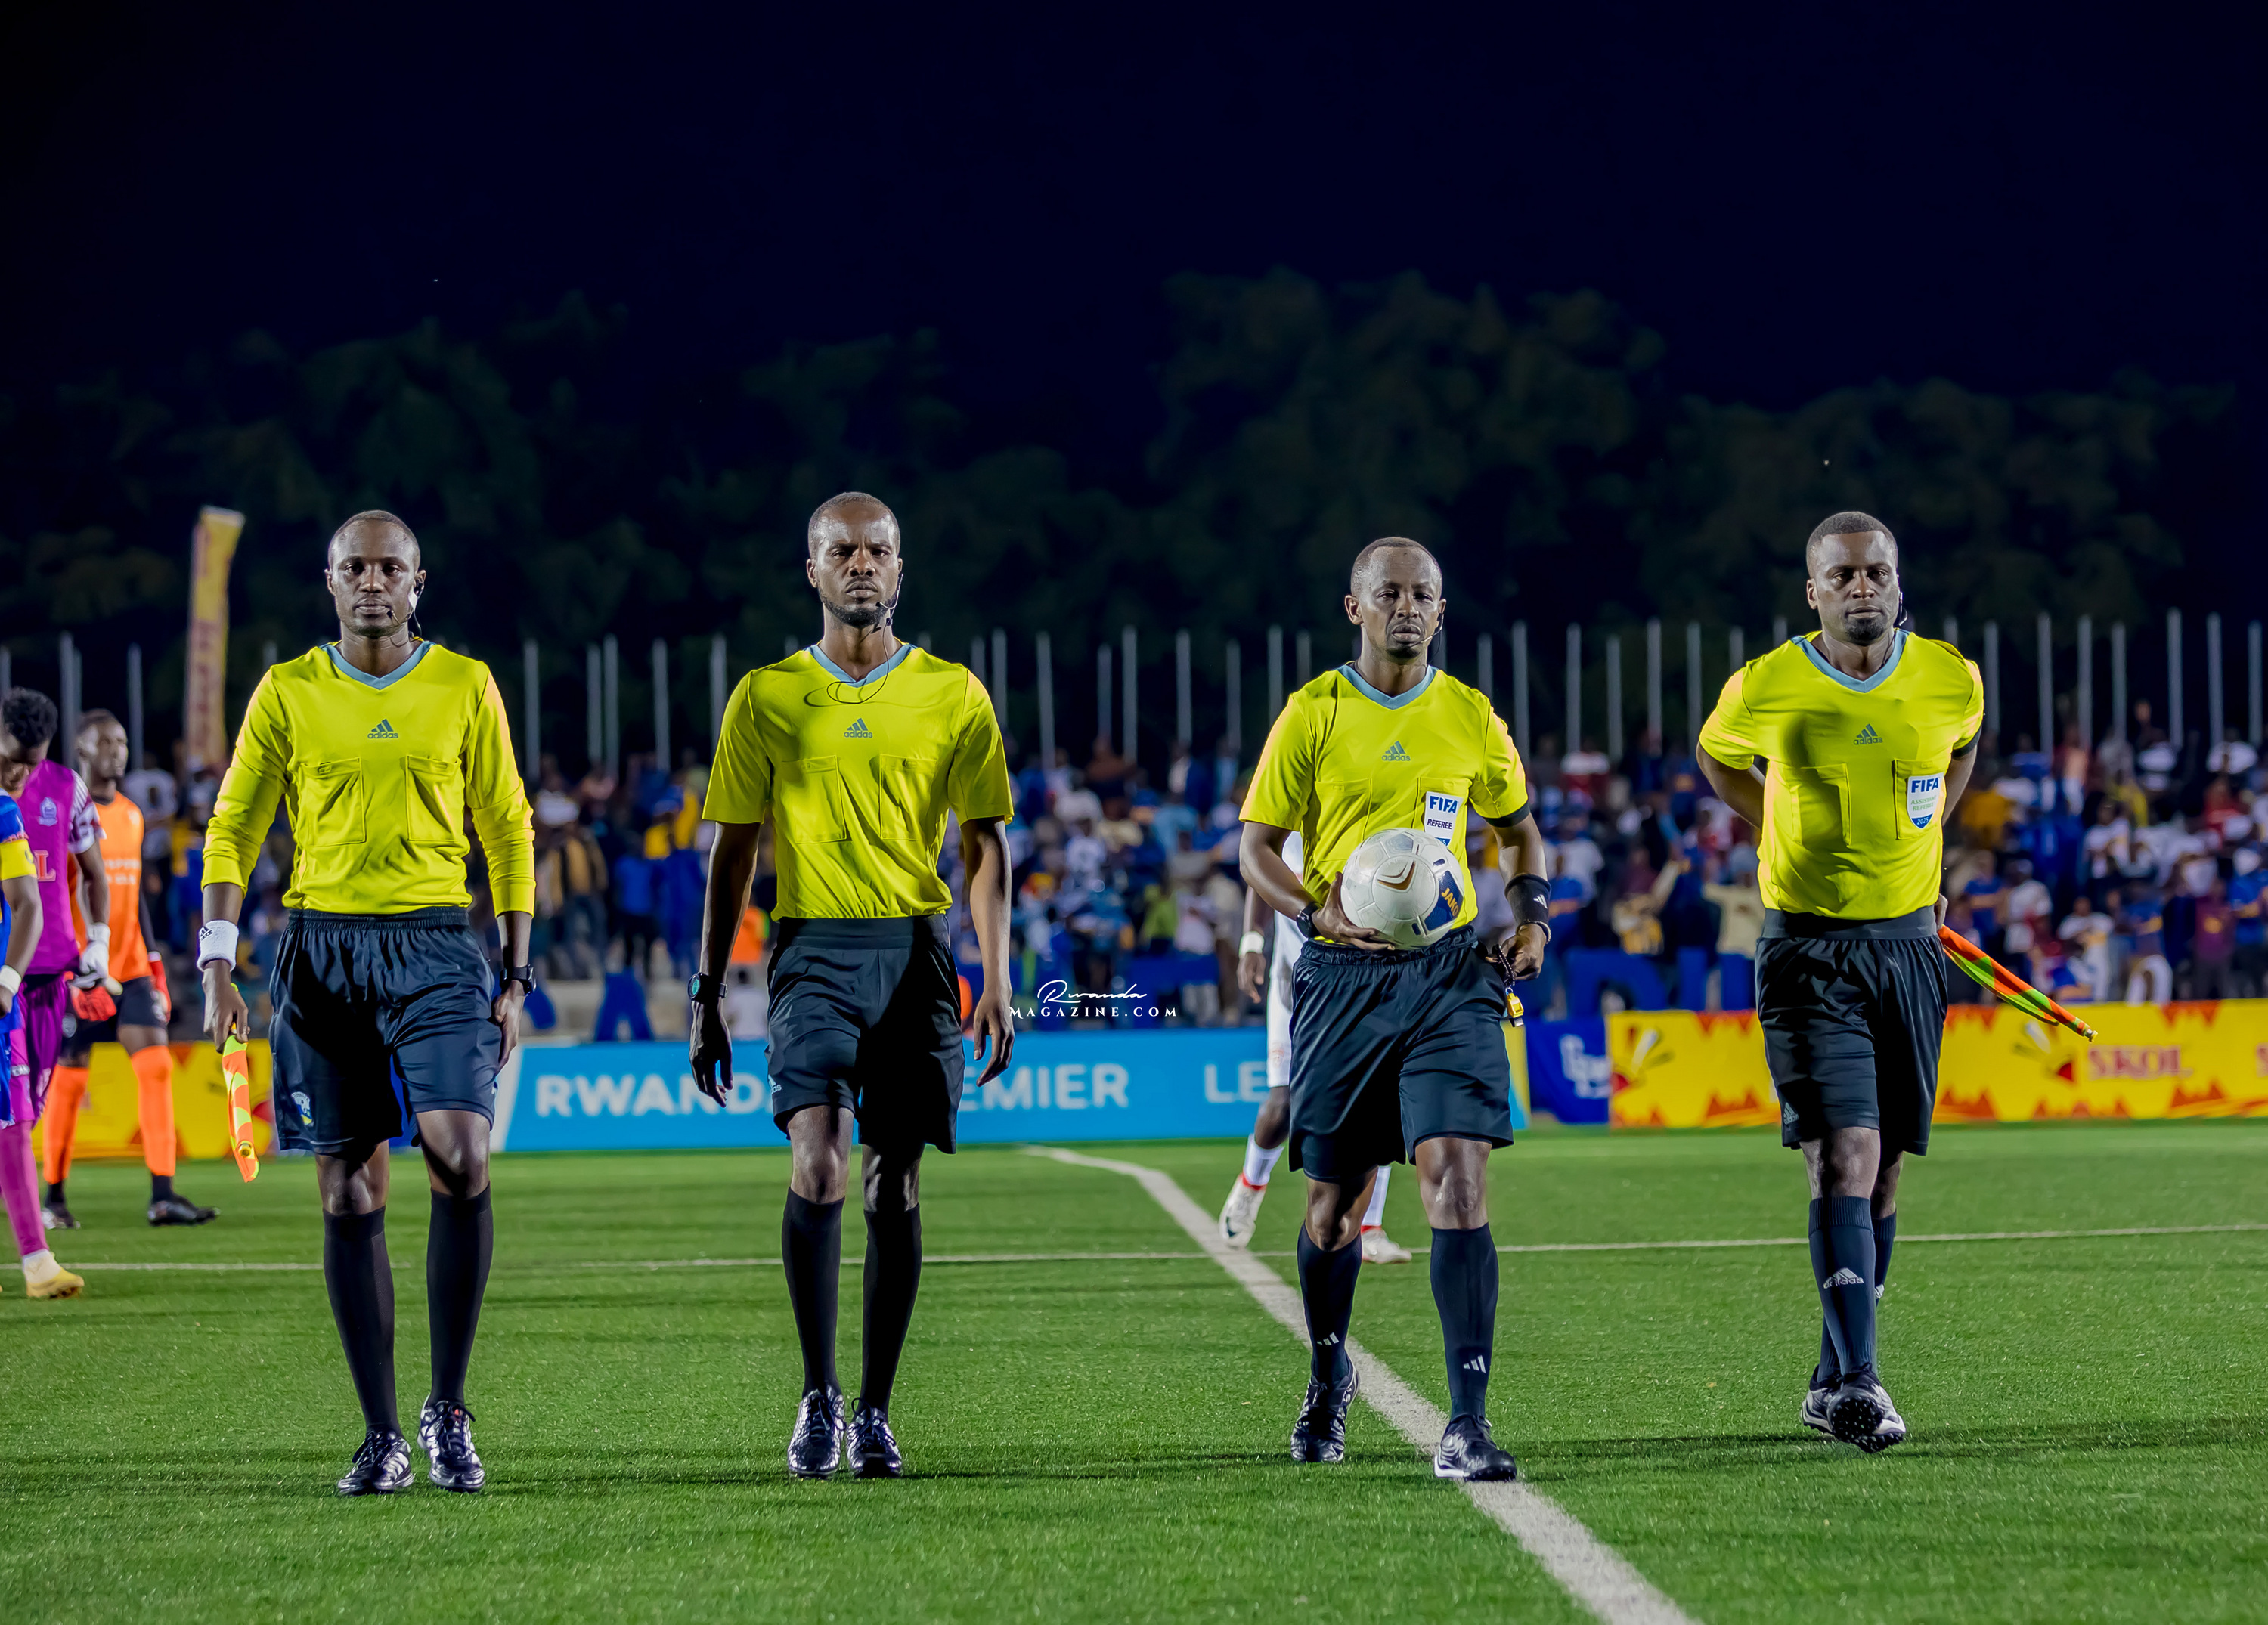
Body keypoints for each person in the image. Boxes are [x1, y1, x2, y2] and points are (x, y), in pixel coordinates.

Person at [200, 510, 534, 1496]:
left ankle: (448, 1410)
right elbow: (233, 825)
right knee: (349, 1190)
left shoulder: (464, 684)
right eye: (357, 567)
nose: (374, 581)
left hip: (436, 944)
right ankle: (382, 1433)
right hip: (322, 950)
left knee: (461, 1154)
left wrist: (516, 975)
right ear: (332, 581)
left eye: (392, 567)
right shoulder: (288, 690)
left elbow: (507, 826)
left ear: (418, 582)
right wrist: (217, 962)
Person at [690, 491, 1017, 1481]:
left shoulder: (954, 692)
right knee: (822, 1161)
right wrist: (707, 991)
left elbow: (985, 843)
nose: (862, 563)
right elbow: (732, 852)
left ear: (901, 568)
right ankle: (819, 1394)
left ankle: (875, 1408)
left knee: (894, 1177)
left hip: (917, 952)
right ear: (814, 570)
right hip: (813, 952)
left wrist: (997, 975)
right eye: (843, 551)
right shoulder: (766, 695)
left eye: (879, 549)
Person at [1238, 537, 1551, 1482]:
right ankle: (1329, 1372)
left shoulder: (1470, 715)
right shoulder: (1313, 712)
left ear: (1441, 611)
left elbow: (1518, 828)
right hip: (1342, 978)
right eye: (1390, 593)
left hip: (1452, 975)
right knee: (1334, 1207)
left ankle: (1468, 1420)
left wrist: (1532, 915)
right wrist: (1312, 913)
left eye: (1423, 595)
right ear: (1356, 607)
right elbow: (1257, 848)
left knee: (1456, 1177)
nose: (1407, 607)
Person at [1698, 511, 1981, 1454]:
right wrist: (1771, 820)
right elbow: (1715, 755)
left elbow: (1963, 745)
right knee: (1843, 1152)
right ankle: (1861, 1378)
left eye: (1878, 572)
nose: (1864, 587)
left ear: (1898, 581)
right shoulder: (1767, 683)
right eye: (1845, 575)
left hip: (1909, 947)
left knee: (1886, 1164)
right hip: (1809, 950)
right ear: (1813, 591)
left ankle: (1831, 1379)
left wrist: (1930, 838)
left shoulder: (1951, 676)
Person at [42, 710, 215, 1228]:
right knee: (69, 1080)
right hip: (80, 970)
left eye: (120, 742)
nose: (116, 751)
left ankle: (163, 1196)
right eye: (104, 742)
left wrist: (156, 965)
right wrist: (65, 972)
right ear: (81, 750)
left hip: (133, 966)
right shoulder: (61, 814)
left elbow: (133, 894)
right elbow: (50, 897)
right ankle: (53, 1200)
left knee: (156, 1066)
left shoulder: (133, 815)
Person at [1216, 831, 1409, 1264]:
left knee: (1379, 1102)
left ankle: (1370, 1228)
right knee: (1282, 1105)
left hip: (1363, 986)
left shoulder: (1376, 833)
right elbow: (1258, 871)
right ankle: (1250, 1186)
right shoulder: (1291, 832)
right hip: (1296, 986)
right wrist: (1252, 942)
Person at [0, 686, 105, 1299]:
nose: (21, 775)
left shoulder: (61, 791)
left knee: (23, 1110)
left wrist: (100, 940)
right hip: (11, 983)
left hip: (35, 979)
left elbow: (43, 900)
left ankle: (36, 1257)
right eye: (12, 761)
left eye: (31, 763)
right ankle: (36, 1258)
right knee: (12, 1116)